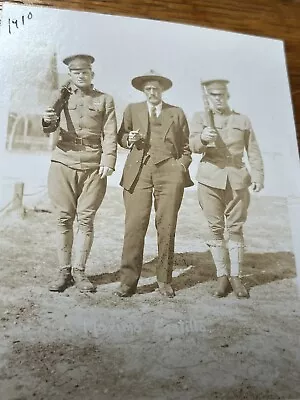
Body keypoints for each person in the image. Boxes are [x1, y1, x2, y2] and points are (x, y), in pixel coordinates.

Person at [115, 70, 194, 298]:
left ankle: (164, 280)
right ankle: (128, 282)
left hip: (169, 173)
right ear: (143, 91)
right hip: (138, 172)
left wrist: (180, 167)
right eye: (148, 89)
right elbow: (122, 136)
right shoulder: (132, 110)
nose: (152, 92)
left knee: (167, 225)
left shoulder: (176, 113)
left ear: (163, 91)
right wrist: (127, 139)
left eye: (156, 89)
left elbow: (187, 147)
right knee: (134, 226)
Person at [42, 54, 117, 293]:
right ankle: (64, 271)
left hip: (93, 166)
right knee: (63, 218)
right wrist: (46, 120)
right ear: (71, 75)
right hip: (63, 162)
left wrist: (109, 160)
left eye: (85, 72)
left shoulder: (105, 99)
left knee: (86, 219)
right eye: (76, 73)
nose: (80, 76)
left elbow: (110, 133)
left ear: (91, 75)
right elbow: (49, 126)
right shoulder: (60, 96)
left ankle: (80, 272)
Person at [190, 79, 264, 298]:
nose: (218, 99)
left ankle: (236, 277)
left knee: (235, 228)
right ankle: (222, 276)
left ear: (227, 96)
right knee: (215, 228)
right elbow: (191, 145)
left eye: (221, 95)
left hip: (237, 179)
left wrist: (258, 175)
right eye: (213, 96)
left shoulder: (242, 120)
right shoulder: (200, 118)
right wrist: (202, 138)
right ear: (209, 98)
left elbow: (253, 150)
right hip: (210, 179)